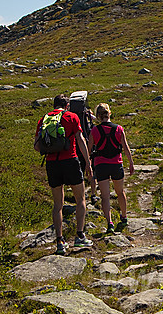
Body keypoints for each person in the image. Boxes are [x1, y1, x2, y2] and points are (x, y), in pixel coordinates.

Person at [34, 94, 93, 254]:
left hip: (52, 163)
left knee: (57, 204)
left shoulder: (44, 119)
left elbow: (37, 147)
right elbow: (81, 139)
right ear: (67, 105)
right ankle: (79, 236)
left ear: (54, 105)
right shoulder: (72, 117)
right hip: (70, 161)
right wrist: (88, 163)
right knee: (80, 199)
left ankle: (60, 241)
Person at [88, 103, 134, 234]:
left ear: (98, 116)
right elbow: (125, 147)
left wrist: (88, 165)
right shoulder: (119, 129)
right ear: (109, 113)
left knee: (105, 197)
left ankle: (109, 223)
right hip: (116, 163)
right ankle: (124, 217)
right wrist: (131, 162)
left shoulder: (94, 131)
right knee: (120, 192)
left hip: (101, 165)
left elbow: (89, 149)